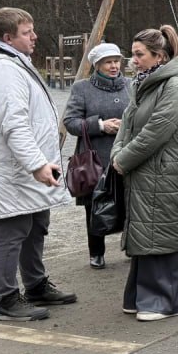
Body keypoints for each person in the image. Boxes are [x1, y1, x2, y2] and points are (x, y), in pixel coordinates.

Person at [0, 7, 76, 322]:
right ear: (8, 38)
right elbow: (13, 124)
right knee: (12, 228)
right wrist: (35, 165)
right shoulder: (2, 70)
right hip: (13, 171)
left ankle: (35, 285)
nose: (34, 37)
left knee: (36, 225)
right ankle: (5, 300)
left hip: (28, 167)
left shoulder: (14, 63)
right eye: (27, 32)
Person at [110, 25, 178, 322]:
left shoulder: (176, 86)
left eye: (139, 54)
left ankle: (162, 301)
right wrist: (117, 154)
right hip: (143, 169)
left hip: (163, 171)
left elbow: (155, 131)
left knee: (158, 232)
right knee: (145, 231)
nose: (132, 60)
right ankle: (141, 297)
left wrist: (123, 159)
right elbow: (128, 121)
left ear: (159, 56)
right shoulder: (144, 82)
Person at [63, 42, 132, 269]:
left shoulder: (131, 86)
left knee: (131, 202)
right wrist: (100, 125)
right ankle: (96, 251)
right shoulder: (82, 88)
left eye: (116, 61)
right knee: (95, 205)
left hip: (127, 154)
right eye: (107, 62)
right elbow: (70, 122)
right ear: (96, 65)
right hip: (95, 158)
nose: (114, 66)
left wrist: (129, 125)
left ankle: (132, 246)